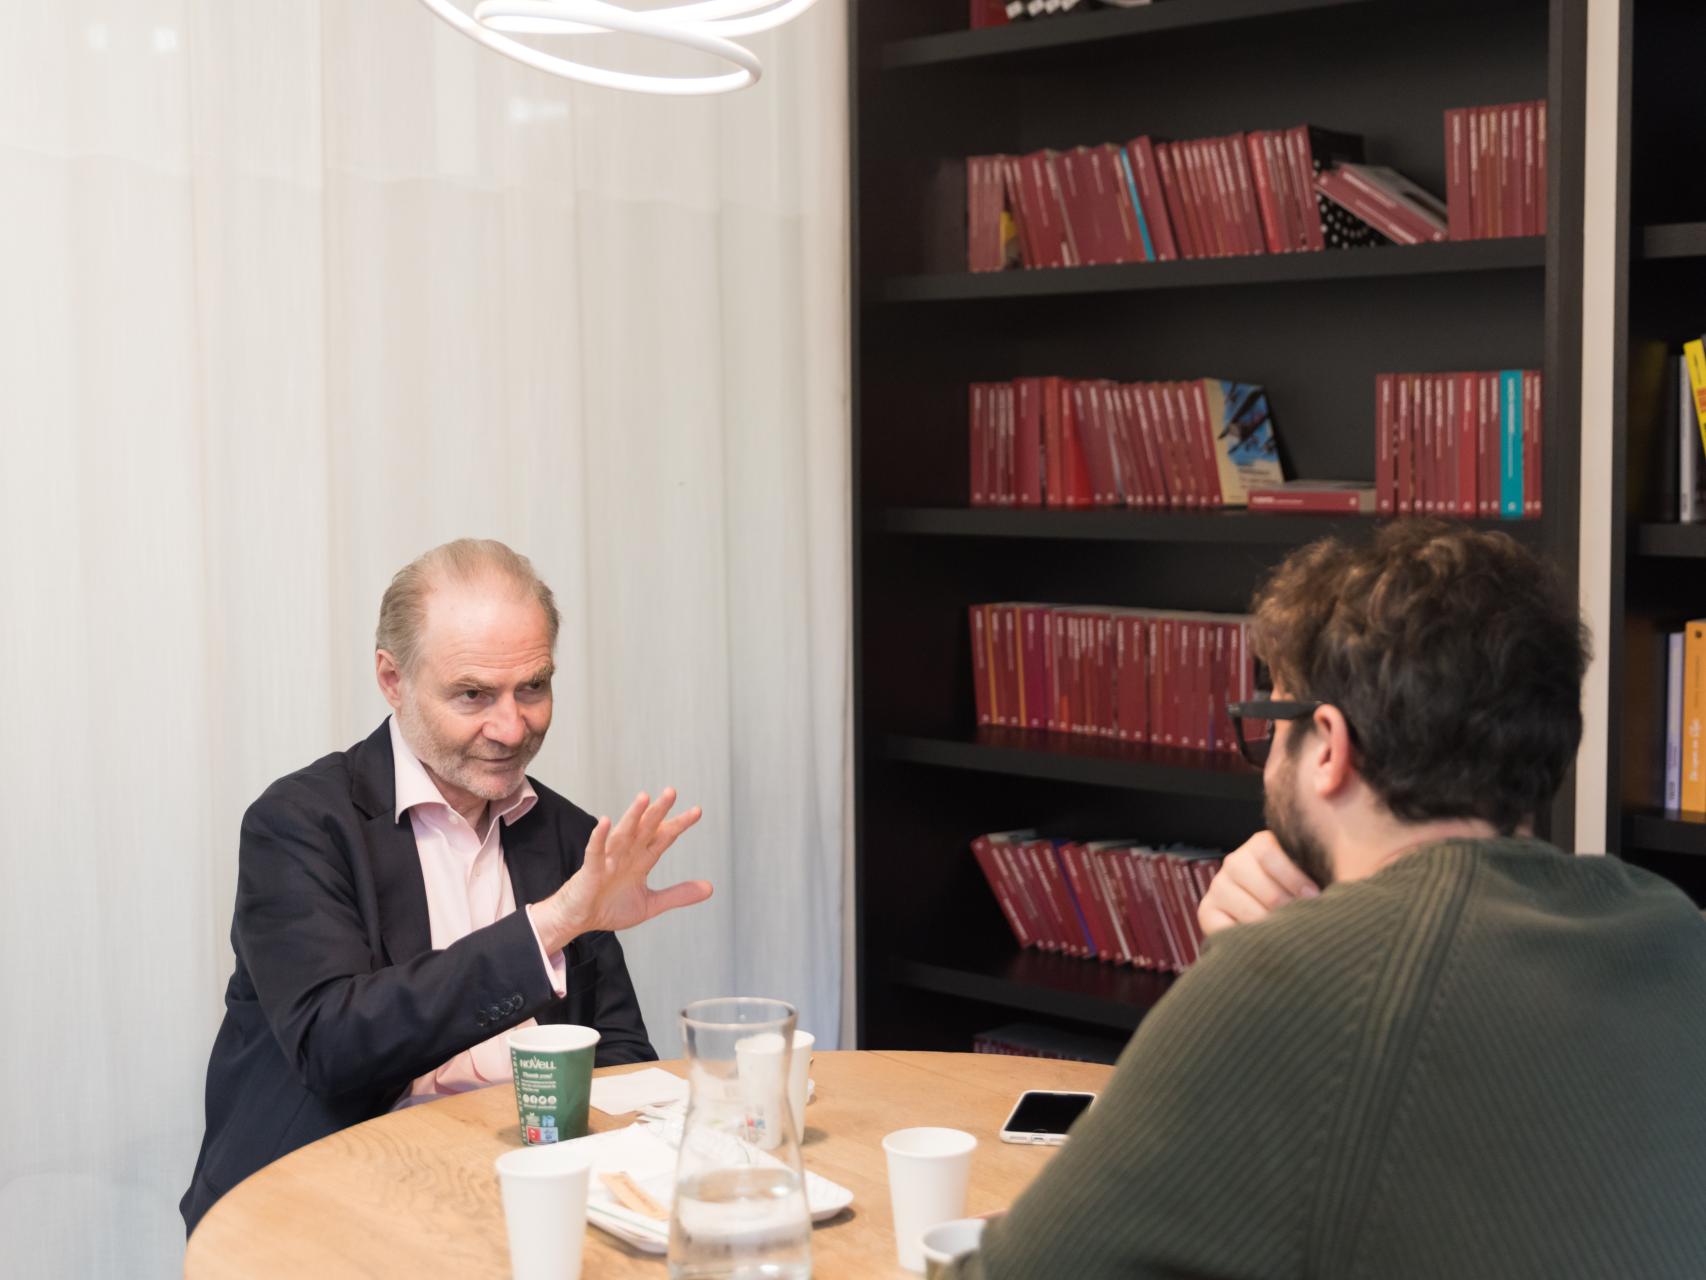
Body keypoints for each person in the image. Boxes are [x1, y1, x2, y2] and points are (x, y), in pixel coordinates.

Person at [944, 522, 1706, 1279]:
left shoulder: (1292, 979)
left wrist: (1271, 966)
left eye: (1270, 723)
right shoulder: (1676, 932)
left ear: (1331, 747)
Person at [181, 539, 711, 1234]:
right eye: (472, 695)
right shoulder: (300, 824)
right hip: (322, 1201)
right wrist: (549, 926)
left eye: (534, 687)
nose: (511, 726)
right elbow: (333, 1045)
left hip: (514, 1188)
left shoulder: (565, 833)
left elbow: (610, 1051)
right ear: (392, 679)